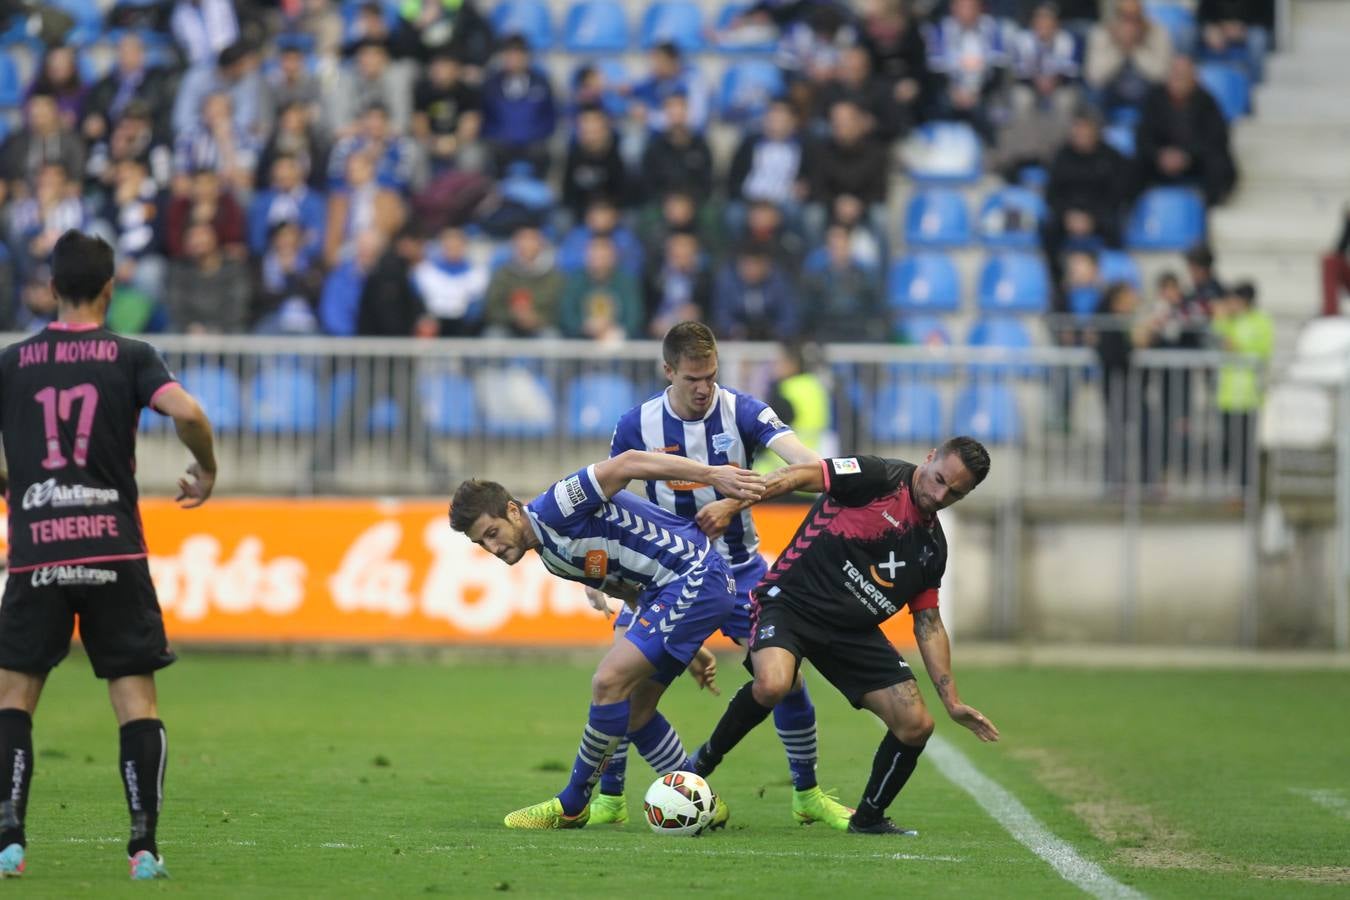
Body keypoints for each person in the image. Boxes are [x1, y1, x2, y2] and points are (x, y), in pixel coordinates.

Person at [0, 229, 218, 880]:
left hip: (38, 550)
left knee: (13, 697)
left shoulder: (13, 362)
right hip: (113, 548)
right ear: (108, 289)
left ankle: (9, 839)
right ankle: (143, 848)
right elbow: (187, 411)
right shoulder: (132, 354)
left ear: (49, 289)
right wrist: (204, 467)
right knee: (135, 701)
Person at [587, 323, 850, 829]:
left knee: (787, 678)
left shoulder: (745, 410)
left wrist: (737, 499)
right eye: (692, 378)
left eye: (710, 375)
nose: (704, 387)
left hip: (739, 571)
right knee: (618, 684)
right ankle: (610, 798)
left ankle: (807, 793)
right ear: (668, 372)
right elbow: (604, 496)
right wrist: (597, 573)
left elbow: (810, 466)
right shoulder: (634, 425)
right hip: (661, 577)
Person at [688, 438, 1001, 835]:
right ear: (929, 457)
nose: (939, 495)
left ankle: (868, 817)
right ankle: (698, 767)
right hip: (790, 605)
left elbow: (928, 622)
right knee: (773, 684)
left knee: (917, 725)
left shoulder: (931, 548)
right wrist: (734, 504)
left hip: (852, 633)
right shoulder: (877, 476)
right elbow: (800, 475)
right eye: (939, 480)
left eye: (954, 493)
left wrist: (951, 701)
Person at [449, 451, 766, 829]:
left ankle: (573, 803)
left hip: (694, 576)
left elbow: (628, 463)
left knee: (608, 681)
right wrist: (688, 645)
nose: (493, 549)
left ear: (514, 512)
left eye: (492, 533)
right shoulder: (551, 556)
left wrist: (712, 474)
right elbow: (630, 590)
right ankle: (704, 804)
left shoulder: (556, 505)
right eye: (481, 543)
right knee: (635, 711)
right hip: (674, 595)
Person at [1134, 56, 1237, 206]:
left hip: (1194, 159)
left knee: (1220, 163)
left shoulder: (1207, 100)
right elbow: (1143, 135)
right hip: (1160, 160)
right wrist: (1159, 155)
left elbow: (1217, 137)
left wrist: (1187, 155)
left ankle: (1208, 206)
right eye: (1175, 75)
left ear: (1194, 78)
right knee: (1132, 166)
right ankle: (1138, 210)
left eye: (1184, 76)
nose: (1179, 81)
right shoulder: (1154, 98)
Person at [1211, 282, 1273, 487]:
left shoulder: (1261, 321)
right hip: (1226, 396)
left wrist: (1234, 344)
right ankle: (1236, 489)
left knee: (1245, 448)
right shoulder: (1229, 320)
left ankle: (1246, 491)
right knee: (1229, 447)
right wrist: (1221, 319)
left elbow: (1261, 351)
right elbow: (1214, 338)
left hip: (1248, 396)